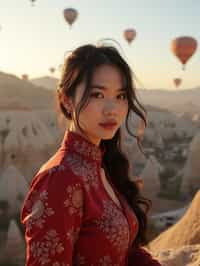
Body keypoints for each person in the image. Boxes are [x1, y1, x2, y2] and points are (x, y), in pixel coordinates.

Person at [21, 44, 162, 265]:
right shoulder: (60, 178)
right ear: (67, 99)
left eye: (121, 96)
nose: (112, 109)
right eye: (97, 94)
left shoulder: (102, 165)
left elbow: (126, 253)